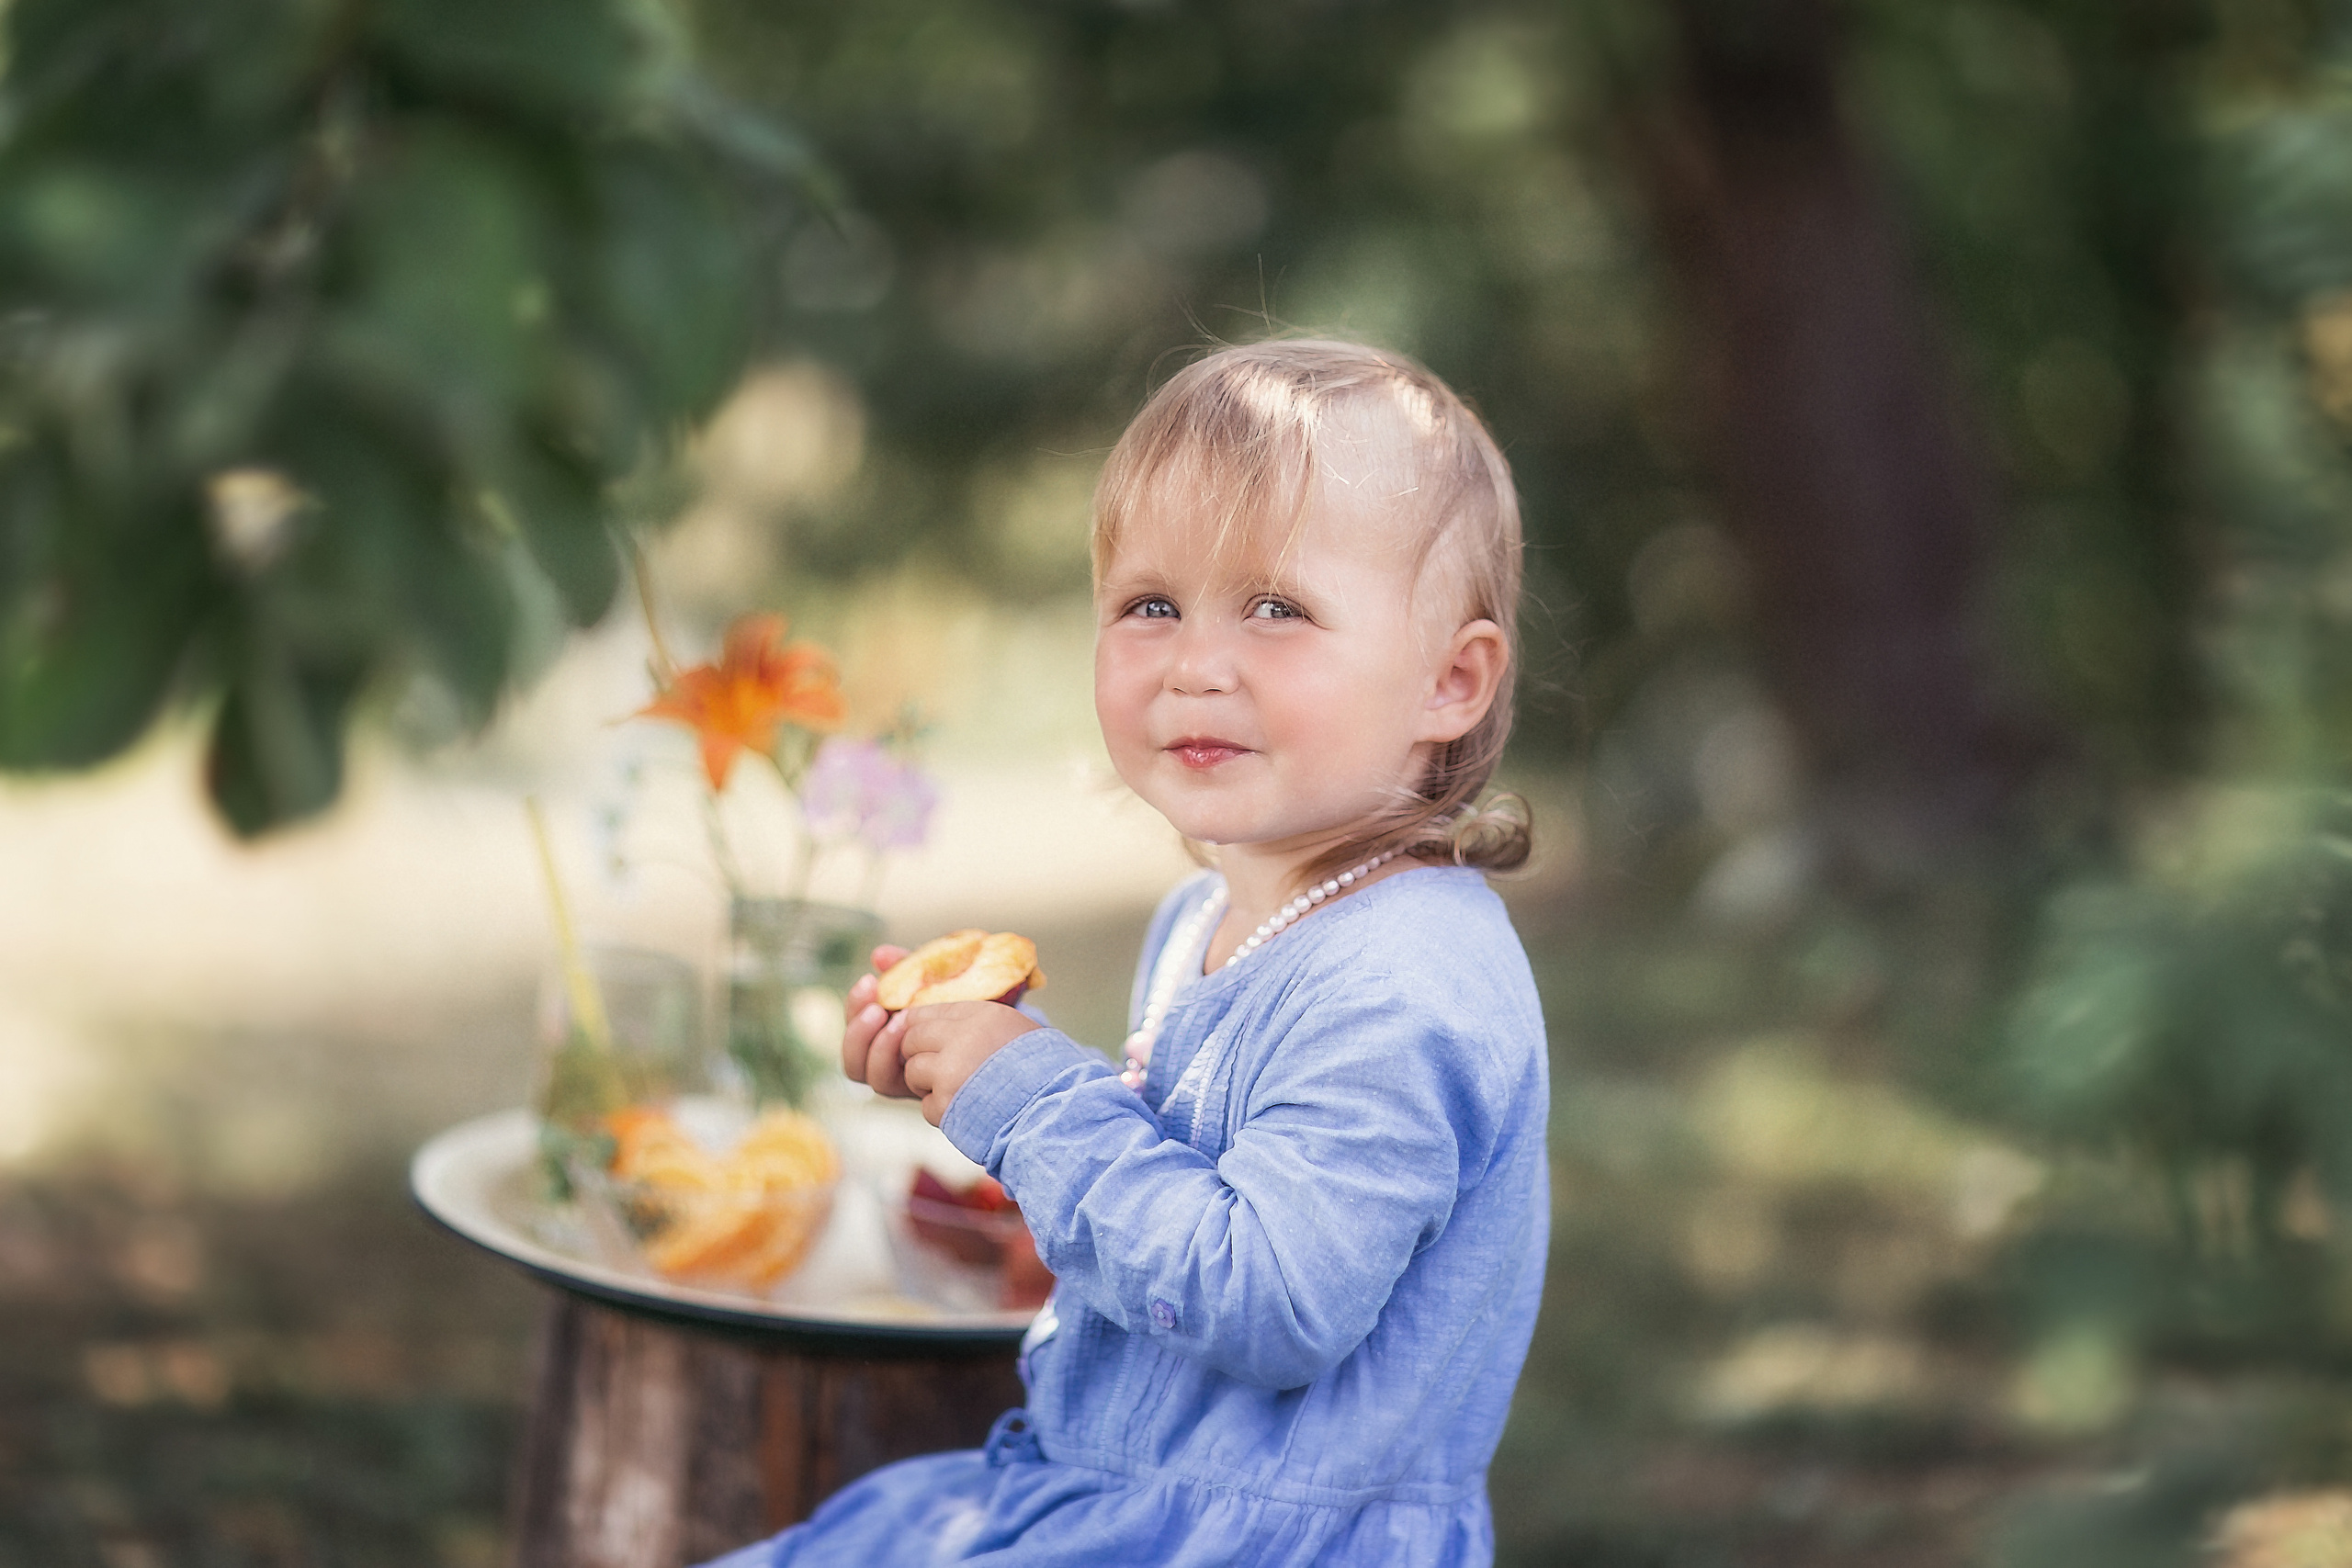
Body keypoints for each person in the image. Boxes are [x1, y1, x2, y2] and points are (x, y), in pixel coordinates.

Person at [700, 338, 1549, 1567]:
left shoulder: (1405, 982)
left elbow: (1270, 1300)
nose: (1196, 664)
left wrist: (1028, 1098)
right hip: (1116, 1502)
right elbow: (1177, 1174)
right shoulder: (1210, 915)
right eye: (1152, 605)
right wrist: (982, 1056)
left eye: (1278, 609)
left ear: (1449, 682)